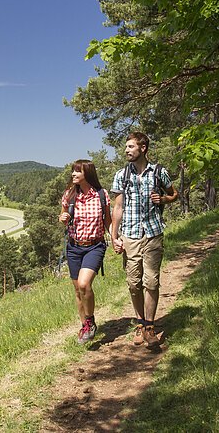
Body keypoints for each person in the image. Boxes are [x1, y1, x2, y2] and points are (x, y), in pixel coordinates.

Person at [110, 132, 178, 348]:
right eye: (126, 147)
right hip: (130, 235)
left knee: (151, 281)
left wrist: (164, 199)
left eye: (131, 147)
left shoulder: (159, 172)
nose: (126, 150)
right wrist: (114, 236)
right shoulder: (121, 175)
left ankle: (149, 327)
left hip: (153, 233)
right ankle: (140, 322)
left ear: (143, 148)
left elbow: (173, 193)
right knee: (133, 283)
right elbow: (118, 207)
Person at [59, 160, 112, 344]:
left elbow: (108, 221)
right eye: (73, 171)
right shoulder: (69, 195)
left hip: (95, 246)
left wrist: (116, 238)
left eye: (77, 171)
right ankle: (85, 326)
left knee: (84, 284)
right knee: (77, 290)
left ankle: (89, 321)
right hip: (74, 247)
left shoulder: (101, 195)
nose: (73, 174)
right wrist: (63, 217)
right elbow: (63, 216)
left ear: (87, 174)